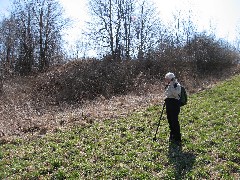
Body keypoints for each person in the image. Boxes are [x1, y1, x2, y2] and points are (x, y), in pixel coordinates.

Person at [164, 72, 182, 146]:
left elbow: (176, 94)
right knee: (170, 120)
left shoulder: (177, 85)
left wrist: (171, 86)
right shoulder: (168, 85)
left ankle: (177, 138)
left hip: (174, 104)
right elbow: (167, 94)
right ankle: (172, 135)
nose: (166, 80)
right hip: (168, 104)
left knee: (174, 121)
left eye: (167, 79)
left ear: (171, 79)